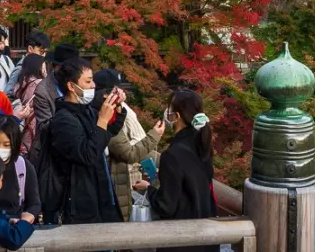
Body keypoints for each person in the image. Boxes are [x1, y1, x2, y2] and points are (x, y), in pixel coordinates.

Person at [48, 58, 126, 224]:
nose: (93, 86)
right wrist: (102, 120)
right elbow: (87, 154)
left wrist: (117, 108)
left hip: (101, 191)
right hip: (79, 200)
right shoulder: (63, 120)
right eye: (88, 81)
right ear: (71, 86)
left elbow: (106, 134)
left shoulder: (87, 111)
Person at [146, 90, 217, 252]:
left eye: (169, 109)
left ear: (176, 116)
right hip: (207, 233)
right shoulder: (202, 145)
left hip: (182, 238)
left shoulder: (172, 155)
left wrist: (149, 190)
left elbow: (166, 205)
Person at [92, 69, 164, 222]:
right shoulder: (104, 116)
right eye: (117, 90)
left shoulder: (118, 111)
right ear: (106, 94)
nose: (122, 94)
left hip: (119, 183)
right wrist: (154, 135)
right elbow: (128, 153)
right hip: (113, 187)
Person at [0, 115, 41, 218]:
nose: (0, 149)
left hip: (14, 223)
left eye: (6, 145)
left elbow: (34, 204)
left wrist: (27, 217)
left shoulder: (23, 167)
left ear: (15, 145)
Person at [31, 43, 78, 164]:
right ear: (54, 65)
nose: (67, 72)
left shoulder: (80, 85)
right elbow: (44, 127)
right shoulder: (43, 91)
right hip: (52, 153)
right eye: (64, 68)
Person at [12, 54, 46, 155]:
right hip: (34, 127)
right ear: (38, 67)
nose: (45, 70)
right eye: (43, 67)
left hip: (24, 125)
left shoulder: (21, 83)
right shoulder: (39, 84)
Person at [5, 30, 49, 96]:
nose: (44, 55)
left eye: (45, 52)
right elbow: (7, 93)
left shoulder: (40, 64)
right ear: (30, 49)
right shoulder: (20, 68)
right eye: (41, 52)